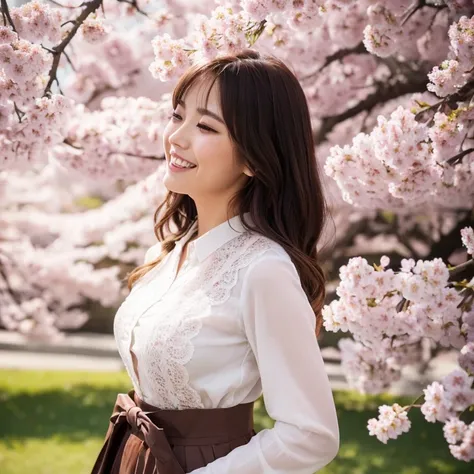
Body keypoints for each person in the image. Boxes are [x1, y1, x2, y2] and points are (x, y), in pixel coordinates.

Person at [91, 49, 339, 474]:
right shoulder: (166, 255)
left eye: (205, 126)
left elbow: (311, 434)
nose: (177, 137)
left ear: (254, 158)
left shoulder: (263, 271)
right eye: (177, 115)